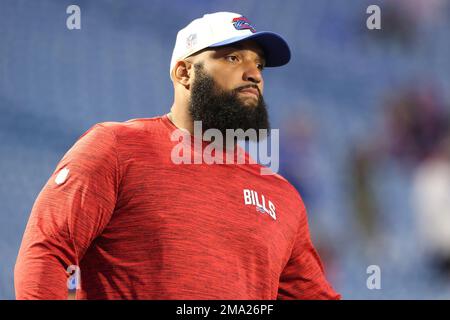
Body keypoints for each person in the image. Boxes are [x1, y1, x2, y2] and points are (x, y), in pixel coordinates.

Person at [15, 11, 340, 300]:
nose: (253, 74)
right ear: (184, 73)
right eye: (232, 59)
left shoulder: (283, 198)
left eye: (259, 64)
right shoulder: (116, 148)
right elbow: (47, 251)